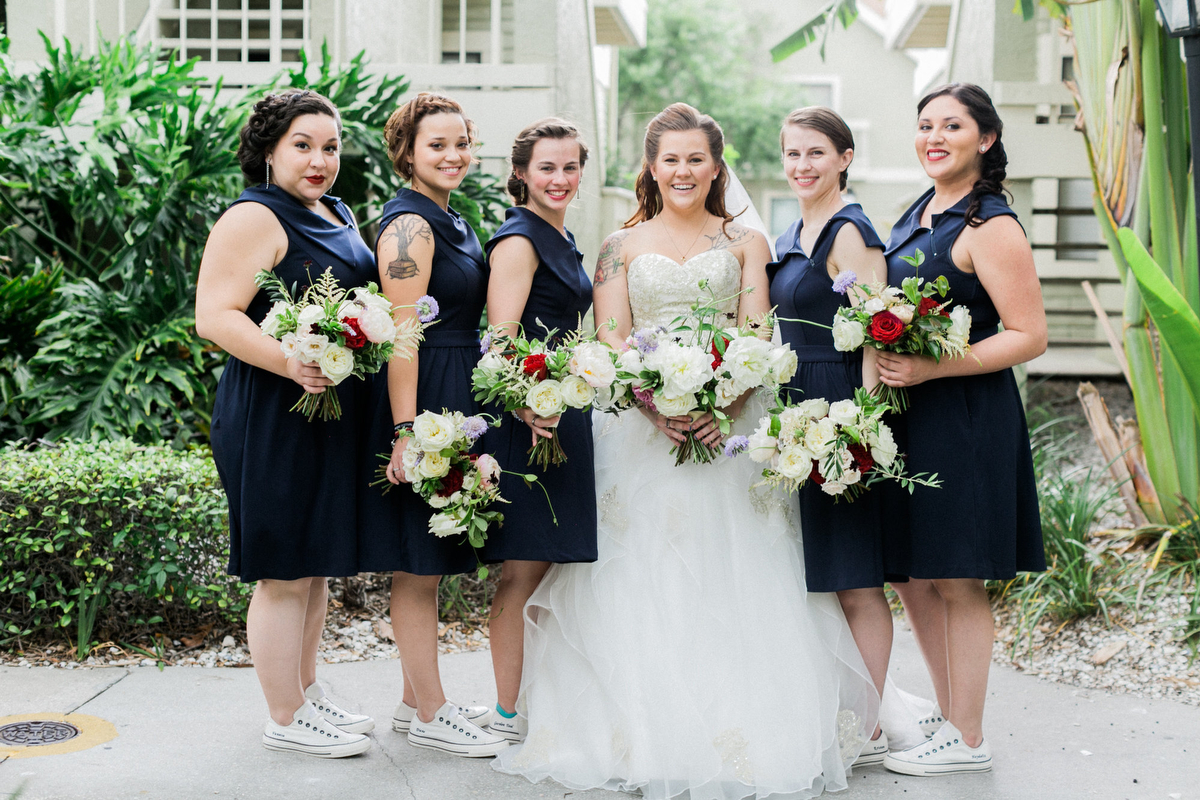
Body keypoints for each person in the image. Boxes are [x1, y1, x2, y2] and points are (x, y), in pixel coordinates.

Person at [492, 103, 878, 799]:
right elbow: (610, 337)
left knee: (735, 572)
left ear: (716, 165)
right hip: (639, 432)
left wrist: (721, 403)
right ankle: (636, 729)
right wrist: (653, 402)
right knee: (638, 575)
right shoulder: (619, 245)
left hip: (727, 430)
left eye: (696, 158)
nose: (682, 170)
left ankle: (745, 726)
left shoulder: (744, 243)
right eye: (669, 158)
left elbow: (758, 331)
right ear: (651, 166)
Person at [196, 89, 374, 758]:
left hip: (328, 408)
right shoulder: (253, 215)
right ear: (269, 151)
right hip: (275, 407)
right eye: (303, 145)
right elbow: (215, 316)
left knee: (317, 563)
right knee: (284, 570)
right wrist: (291, 361)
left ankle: (306, 691)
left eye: (329, 147)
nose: (319, 159)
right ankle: (283, 715)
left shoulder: (337, 212)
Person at [876, 83, 1047, 776]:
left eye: (952, 125)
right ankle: (950, 723)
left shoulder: (990, 226)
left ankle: (969, 738)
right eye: (925, 125)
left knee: (958, 577)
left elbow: (1030, 335)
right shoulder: (921, 212)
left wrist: (933, 368)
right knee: (916, 575)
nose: (935, 136)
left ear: (987, 139)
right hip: (911, 413)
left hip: (966, 414)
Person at [368, 92, 507, 757]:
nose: (453, 156)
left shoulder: (450, 219)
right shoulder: (409, 228)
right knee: (418, 567)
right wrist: (404, 429)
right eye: (436, 146)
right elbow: (401, 335)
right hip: (422, 393)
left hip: (457, 387)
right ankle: (432, 712)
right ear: (407, 153)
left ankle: (409, 700)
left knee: (434, 558)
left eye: (460, 143)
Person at [767, 106, 895, 767]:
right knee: (815, 575)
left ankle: (869, 728)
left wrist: (862, 429)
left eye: (816, 153)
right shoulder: (794, 229)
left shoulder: (850, 231)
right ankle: (834, 708)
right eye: (792, 154)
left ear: (845, 157)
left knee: (854, 579)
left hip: (839, 410)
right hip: (796, 406)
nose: (802, 165)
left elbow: (877, 330)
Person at [477, 118, 599, 743]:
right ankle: (504, 713)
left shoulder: (562, 235)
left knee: (550, 570)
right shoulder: (520, 240)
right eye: (547, 167)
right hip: (531, 423)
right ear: (521, 172)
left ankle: (537, 699)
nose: (560, 178)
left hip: (564, 413)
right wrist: (528, 408)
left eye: (571, 166)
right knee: (522, 574)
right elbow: (497, 343)